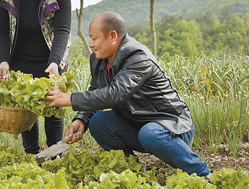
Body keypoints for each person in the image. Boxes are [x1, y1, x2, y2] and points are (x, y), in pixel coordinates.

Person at [45, 11, 211, 179]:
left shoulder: (138, 57)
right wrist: (81, 118)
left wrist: (70, 98)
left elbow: (116, 94)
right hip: (136, 124)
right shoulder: (98, 58)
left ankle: (203, 175)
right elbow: (95, 89)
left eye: (94, 38)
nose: (91, 44)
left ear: (112, 36)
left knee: (150, 133)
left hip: (171, 126)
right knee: (98, 122)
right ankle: (134, 172)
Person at [0, 0, 72, 154]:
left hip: (51, 58)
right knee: (26, 109)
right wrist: (4, 60)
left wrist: (54, 62)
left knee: (53, 108)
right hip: (20, 58)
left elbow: (63, 30)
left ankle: (55, 153)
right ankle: (32, 153)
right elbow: (0, 29)